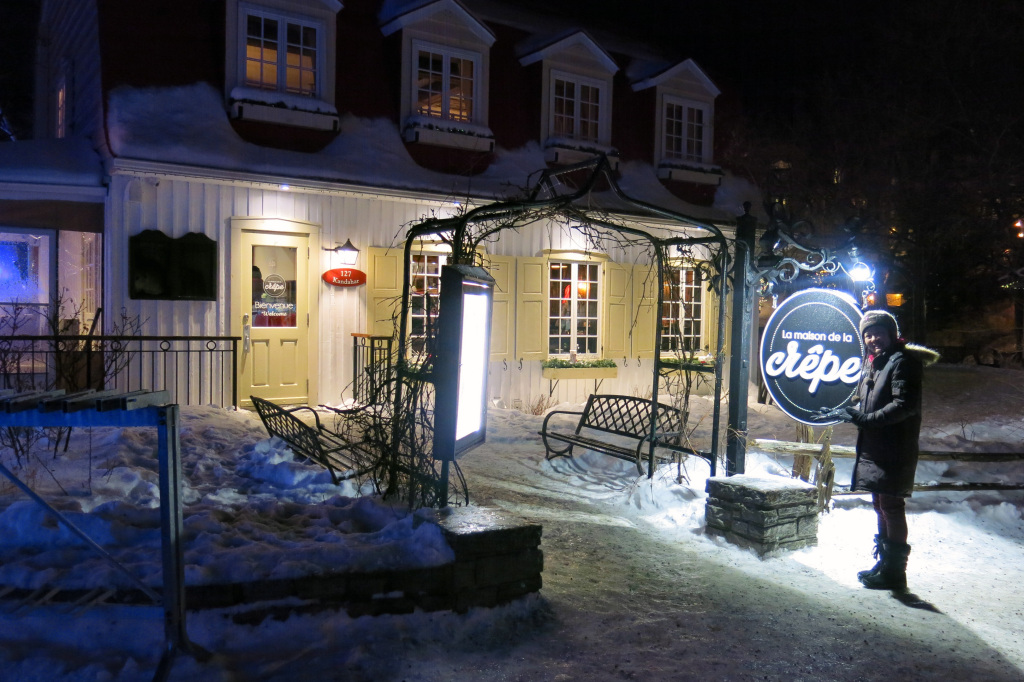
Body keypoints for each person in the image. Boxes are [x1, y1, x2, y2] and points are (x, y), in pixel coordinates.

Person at [818, 309, 939, 590]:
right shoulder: (876, 362)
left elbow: (904, 405)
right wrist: (847, 410)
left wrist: (864, 419)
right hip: (876, 444)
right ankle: (885, 564)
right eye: (868, 334)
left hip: (894, 447)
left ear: (891, 334)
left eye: (878, 333)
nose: (873, 338)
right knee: (880, 504)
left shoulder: (902, 362)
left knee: (892, 506)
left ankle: (895, 573)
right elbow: (865, 399)